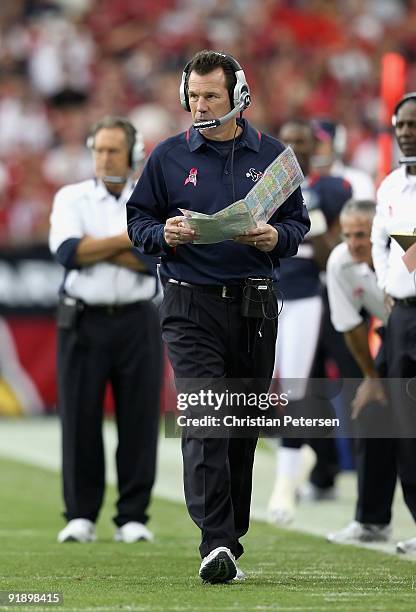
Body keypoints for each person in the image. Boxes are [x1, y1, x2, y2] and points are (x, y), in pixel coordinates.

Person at [126, 50, 310, 583]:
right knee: (207, 415)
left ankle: (230, 533)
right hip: (189, 303)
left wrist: (278, 237)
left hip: (254, 305)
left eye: (212, 96)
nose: (201, 106)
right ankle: (215, 541)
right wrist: (165, 234)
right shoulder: (166, 157)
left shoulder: (276, 157)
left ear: (239, 97)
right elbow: (138, 221)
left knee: (242, 428)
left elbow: (298, 224)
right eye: (194, 96)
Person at [49, 116, 163, 544]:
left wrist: (99, 244)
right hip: (83, 317)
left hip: (137, 317)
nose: (103, 158)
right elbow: (68, 253)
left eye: (113, 150)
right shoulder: (71, 196)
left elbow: (157, 259)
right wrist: (128, 239)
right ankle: (81, 514)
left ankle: (133, 515)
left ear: (133, 155)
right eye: (98, 149)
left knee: (138, 418)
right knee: (80, 417)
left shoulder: (151, 199)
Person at [267, 118, 352, 525]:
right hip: (264, 294)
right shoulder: (262, 188)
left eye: (302, 142)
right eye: (289, 142)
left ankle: (285, 486)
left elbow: (329, 255)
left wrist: (312, 212)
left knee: (298, 389)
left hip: (305, 296)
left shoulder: (329, 189)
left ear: (313, 147)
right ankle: (305, 462)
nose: (295, 149)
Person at [325, 198, 396, 544]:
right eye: (348, 235)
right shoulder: (340, 263)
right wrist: (372, 378)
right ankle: (372, 521)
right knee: (371, 411)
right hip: (394, 334)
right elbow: (351, 325)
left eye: (362, 235)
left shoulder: (401, 255)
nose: (354, 243)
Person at [371, 92, 416, 554]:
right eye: (401, 124)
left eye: (414, 124)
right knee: (404, 424)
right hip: (403, 315)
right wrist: (388, 283)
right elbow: (378, 242)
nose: (407, 131)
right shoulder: (389, 187)